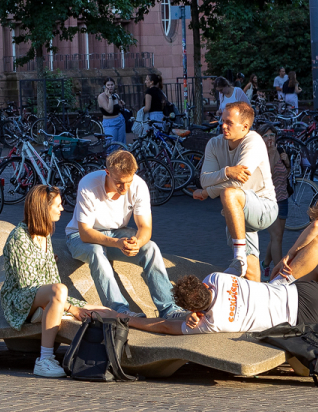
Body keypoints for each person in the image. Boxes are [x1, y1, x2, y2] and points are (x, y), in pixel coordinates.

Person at [126, 272, 318, 342]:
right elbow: (206, 290)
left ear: (196, 310)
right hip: (301, 292)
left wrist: (128, 320)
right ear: (204, 286)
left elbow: (165, 326)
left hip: (295, 319)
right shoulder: (217, 278)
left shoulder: (211, 323)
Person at [65, 149, 184, 319]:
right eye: (119, 182)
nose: (124, 187)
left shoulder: (138, 186)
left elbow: (144, 227)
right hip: (79, 235)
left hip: (116, 233)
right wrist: (117, 243)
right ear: (107, 173)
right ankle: (119, 310)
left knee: (151, 248)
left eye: (128, 182)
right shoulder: (89, 184)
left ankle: (169, 308)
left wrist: (137, 242)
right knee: (96, 252)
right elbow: (85, 233)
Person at [2, 185, 102, 378]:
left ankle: (151, 323)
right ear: (43, 208)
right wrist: (69, 308)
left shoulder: (45, 235)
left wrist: (65, 304)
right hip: (20, 301)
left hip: (46, 296)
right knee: (59, 289)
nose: (62, 209)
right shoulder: (19, 238)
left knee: (102, 311)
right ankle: (45, 359)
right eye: (58, 205)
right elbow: (27, 286)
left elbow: (50, 277)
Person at [192, 101, 276, 281]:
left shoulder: (253, 141)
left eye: (229, 122)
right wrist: (227, 171)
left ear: (245, 126)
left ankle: (238, 258)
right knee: (251, 269)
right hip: (236, 211)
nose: (223, 126)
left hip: (264, 206)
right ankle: (257, 302)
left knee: (229, 193)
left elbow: (237, 185)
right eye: (222, 120)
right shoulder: (214, 144)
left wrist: (208, 193)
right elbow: (204, 179)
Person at [261, 128, 292, 274]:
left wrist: (286, 162)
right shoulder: (260, 154)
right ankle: (279, 273)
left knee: (278, 236)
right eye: (265, 135)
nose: (269, 138)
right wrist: (272, 154)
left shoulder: (280, 150)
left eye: (272, 135)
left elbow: (286, 174)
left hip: (282, 198)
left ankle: (266, 263)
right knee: (276, 236)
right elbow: (268, 174)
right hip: (268, 200)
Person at [96, 78, 127, 147]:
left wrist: (121, 104)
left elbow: (118, 107)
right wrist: (109, 97)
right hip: (110, 123)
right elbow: (109, 110)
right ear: (104, 86)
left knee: (121, 144)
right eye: (108, 85)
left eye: (112, 85)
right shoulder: (101, 97)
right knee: (111, 144)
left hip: (120, 120)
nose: (110, 87)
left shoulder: (115, 95)